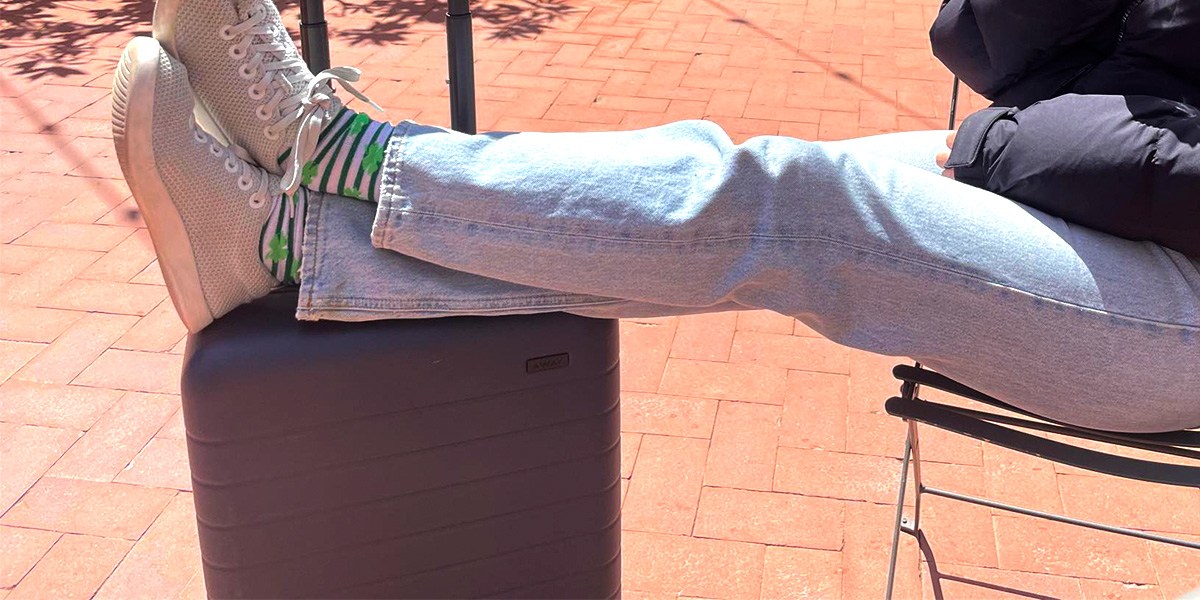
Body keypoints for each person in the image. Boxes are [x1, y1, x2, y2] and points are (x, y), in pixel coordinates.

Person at [111, 0, 1200, 433]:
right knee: (718, 175)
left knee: (800, 208)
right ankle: (286, 244)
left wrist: (1004, 146)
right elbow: (987, 41)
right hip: (1091, 183)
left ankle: (326, 156)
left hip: (1180, 316)